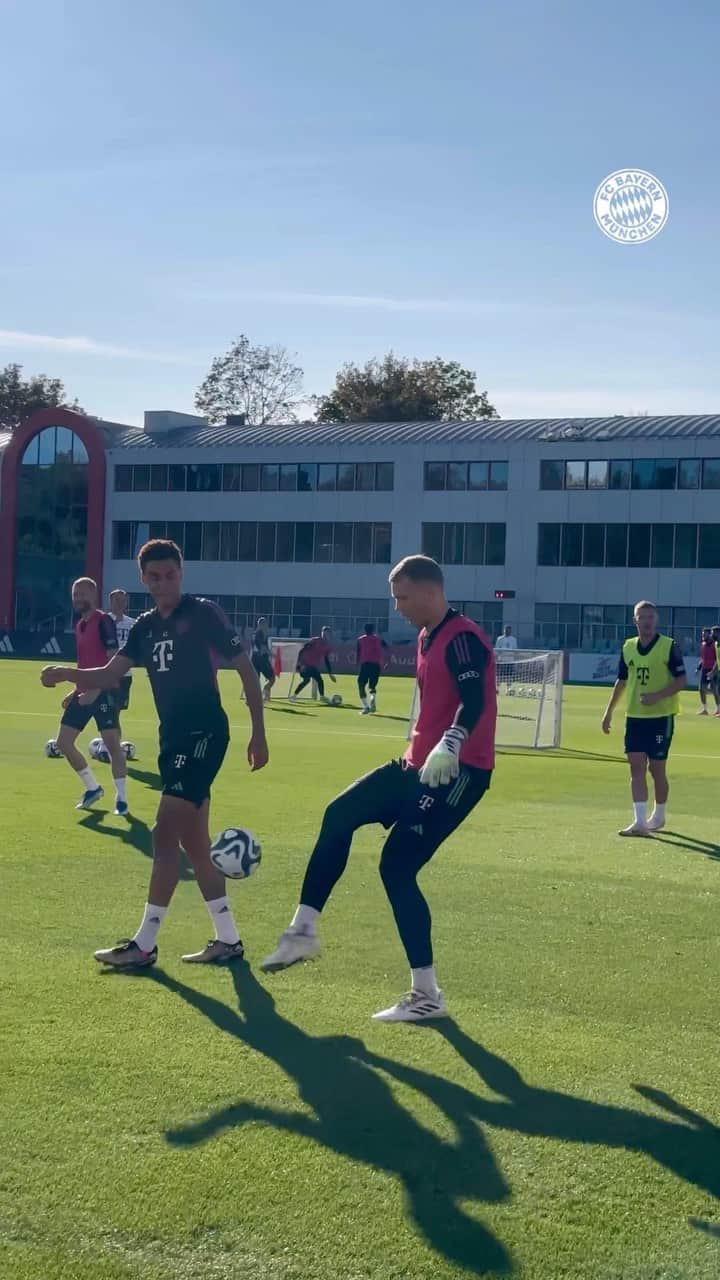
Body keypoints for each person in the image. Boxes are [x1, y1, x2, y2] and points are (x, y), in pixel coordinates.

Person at [262, 554, 496, 1023]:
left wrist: (450, 744)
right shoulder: (427, 635)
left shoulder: (463, 638)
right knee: (339, 813)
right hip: (416, 764)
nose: (398, 608)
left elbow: (475, 700)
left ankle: (426, 995)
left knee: (397, 866)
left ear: (430, 591)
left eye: (403, 597)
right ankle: (303, 930)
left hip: (459, 771)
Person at [41, 539, 269, 969]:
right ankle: (228, 939)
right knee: (195, 844)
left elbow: (244, 667)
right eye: (154, 577)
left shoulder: (203, 613)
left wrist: (258, 733)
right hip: (174, 740)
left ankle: (144, 945)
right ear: (143, 579)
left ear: (181, 573)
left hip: (204, 734)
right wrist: (68, 674)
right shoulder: (145, 626)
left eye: (170, 575)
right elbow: (110, 675)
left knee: (164, 835)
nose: (163, 583)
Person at [601, 600, 687, 836]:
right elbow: (622, 681)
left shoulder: (669, 646)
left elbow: (682, 681)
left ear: (656, 620)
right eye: (643, 617)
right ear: (635, 620)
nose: (647, 621)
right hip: (635, 717)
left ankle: (658, 816)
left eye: (651, 617)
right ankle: (639, 822)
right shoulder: (628, 647)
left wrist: (657, 696)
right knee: (636, 767)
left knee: (656, 769)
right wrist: (609, 712)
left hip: (661, 718)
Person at [54, 577, 128, 815]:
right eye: (75, 594)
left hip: (105, 692)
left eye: (82, 594)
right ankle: (93, 788)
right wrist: (75, 689)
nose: (78, 598)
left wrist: (96, 689)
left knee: (112, 745)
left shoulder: (103, 621)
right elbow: (83, 663)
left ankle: (122, 800)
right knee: (64, 743)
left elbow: (113, 659)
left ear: (93, 595)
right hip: (83, 692)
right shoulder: (79, 625)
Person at [290, 627, 336, 703]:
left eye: (327, 633)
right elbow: (302, 650)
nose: (325, 635)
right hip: (305, 665)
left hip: (312, 666)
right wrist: (298, 664)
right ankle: (321, 697)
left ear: (329, 635)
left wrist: (330, 673)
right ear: (321, 633)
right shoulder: (315, 640)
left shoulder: (327, 646)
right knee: (317, 679)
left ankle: (294, 696)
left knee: (309, 680)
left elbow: (326, 660)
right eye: (324, 633)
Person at [108, 588, 134, 716]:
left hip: (125, 673)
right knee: (105, 707)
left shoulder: (132, 623)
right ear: (111, 602)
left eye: (123, 601)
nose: (120, 603)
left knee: (118, 708)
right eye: (117, 600)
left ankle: (113, 735)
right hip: (105, 671)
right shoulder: (103, 621)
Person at [356, 623, 389, 714]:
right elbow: (387, 648)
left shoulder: (360, 640)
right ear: (373, 630)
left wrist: (357, 664)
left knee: (361, 684)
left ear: (365, 630)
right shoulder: (379, 639)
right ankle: (373, 698)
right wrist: (386, 661)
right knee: (372, 686)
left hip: (365, 664)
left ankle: (366, 707)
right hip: (376, 665)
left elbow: (358, 653)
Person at [251, 616, 276, 701]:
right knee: (272, 678)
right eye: (265, 624)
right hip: (261, 659)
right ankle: (265, 690)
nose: (267, 626)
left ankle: (262, 697)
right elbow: (262, 648)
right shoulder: (259, 634)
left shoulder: (255, 634)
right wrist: (272, 654)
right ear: (261, 624)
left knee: (255, 680)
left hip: (254, 659)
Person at [696, 627, 718, 716]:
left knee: (714, 689)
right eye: (702, 634)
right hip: (704, 669)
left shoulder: (715, 645)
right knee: (701, 689)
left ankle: (718, 709)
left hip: (713, 669)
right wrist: (698, 668)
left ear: (710, 635)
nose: (703, 636)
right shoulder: (703, 644)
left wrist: (713, 671)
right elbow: (702, 658)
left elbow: (718, 659)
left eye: (705, 634)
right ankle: (705, 709)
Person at [494, 624, 518, 691]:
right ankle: (497, 689)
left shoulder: (513, 639)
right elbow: (496, 650)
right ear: (504, 630)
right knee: (499, 676)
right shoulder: (500, 639)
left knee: (509, 676)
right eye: (506, 630)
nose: (507, 631)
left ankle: (509, 689)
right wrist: (497, 659)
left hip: (510, 661)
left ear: (510, 631)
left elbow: (515, 651)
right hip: (501, 660)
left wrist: (514, 660)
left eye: (509, 630)